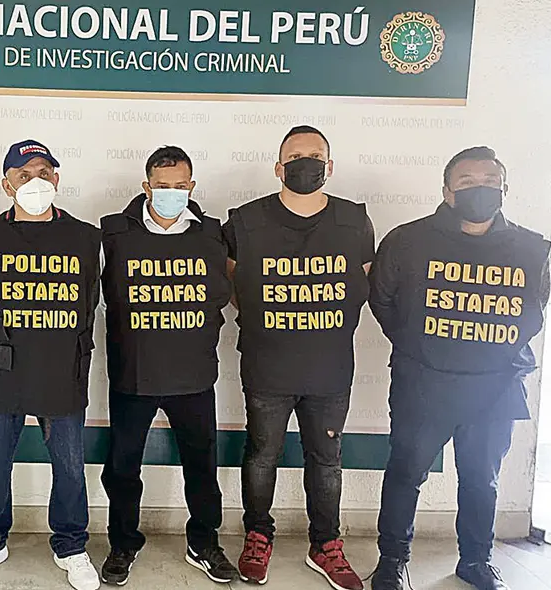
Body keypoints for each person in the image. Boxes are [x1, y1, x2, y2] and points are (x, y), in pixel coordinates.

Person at [369, 147, 550, 590]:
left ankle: (476, 560)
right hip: (423, 383)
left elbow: (535, 308)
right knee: (406, 472)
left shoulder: (533, 248)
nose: (479, 189)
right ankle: (392, 559)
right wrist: (420, 347)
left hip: (494, 388)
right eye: (467, 182)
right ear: (447, 192)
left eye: (489, 180)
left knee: (481, 481)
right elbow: (383, 300)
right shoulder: (407, 240)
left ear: (504, 189)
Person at [224, 126, 374, 589]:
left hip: (329, 369)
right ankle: (257, 535)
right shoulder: (244, 221)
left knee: (326, 459)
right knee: (262, 454)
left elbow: (363, 286)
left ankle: (324, 544)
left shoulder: (354, 220)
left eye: (315, 156)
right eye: (295, 155)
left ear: (329, 167)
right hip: (267, 367)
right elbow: (234, 289)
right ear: (278, 166)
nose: (305, 163)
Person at [0, 140, 101, 590]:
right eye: (23, 174)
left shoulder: (84, 237)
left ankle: (72, 546)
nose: (36, 181)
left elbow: (89, 303)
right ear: (6, 183)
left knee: (70, 466)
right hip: (2, 369)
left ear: (57, 178)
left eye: (44, 171)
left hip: (61, 370)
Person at [98, 146, 235, 585]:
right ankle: (122, 544)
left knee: (201, 465)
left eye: (180, 187)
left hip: (194, 375)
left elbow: (224, 295)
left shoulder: (213, 234)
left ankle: (204, 541)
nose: (171, 193)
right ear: (146, 187)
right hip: (132, 375)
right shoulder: (113, 233)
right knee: (122, 466)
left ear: (191, 187)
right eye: (162, 187)